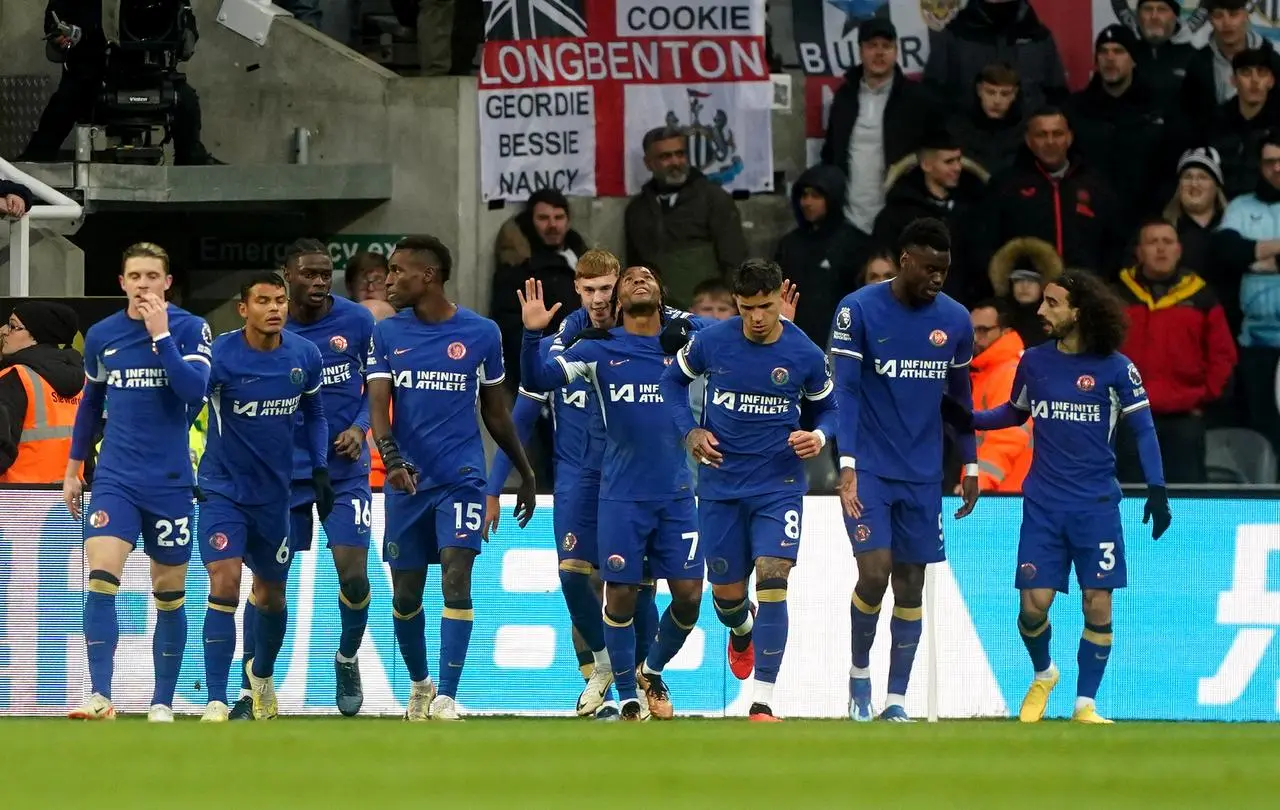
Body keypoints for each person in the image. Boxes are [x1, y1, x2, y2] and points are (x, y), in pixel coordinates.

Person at [955, 268, 1172, 724]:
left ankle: (1085, 704)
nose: (1041, 310)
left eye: (1052, 303)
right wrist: (965, 417)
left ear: (1080, 311)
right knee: (1032, 608)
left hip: (1096, 508)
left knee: (1099, 601)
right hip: (1043, 505)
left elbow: (1144, 430)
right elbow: (1012, 414)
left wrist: (1157, 488)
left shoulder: (1117, 368)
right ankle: (1044, 671)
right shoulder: (1034, 361)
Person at [519, 266, 706, 722]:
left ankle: (651, 669)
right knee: (619, 595)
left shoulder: (686, 348)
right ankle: (626, 695)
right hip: (620, 494)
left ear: (661, 295)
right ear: (618, 302)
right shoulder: (597, 350)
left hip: (678, 492)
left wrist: (781, 322)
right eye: (630, 279)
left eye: (648, 277)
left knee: (688, 597)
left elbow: (738, 334)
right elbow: (539, 380)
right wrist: (530, 337)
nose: (638, 279)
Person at [368, 235, 537, 721]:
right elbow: (379, 408)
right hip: (406, 481)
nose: (390, 280)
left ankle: (447, 696)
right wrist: (392, 459)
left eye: (399, 271)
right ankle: (421, 684)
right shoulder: (387, 334)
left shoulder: (481, 332)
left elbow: (496, 412)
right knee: (405, 595)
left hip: (462, 476)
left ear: (429, 276)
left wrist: (522, 472)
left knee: (457, 578)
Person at [660, 259, 837, 722]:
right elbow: (671, 383)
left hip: (778, 486)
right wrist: (690, 433)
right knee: (726, 597)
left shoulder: (805, 354)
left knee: (774, 575)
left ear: (781, 297)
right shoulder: (712, 342)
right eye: (746, 308)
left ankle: (763, 700)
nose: (757, 317)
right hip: (719, 486)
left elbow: (830, 411)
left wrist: (816, 437)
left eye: (765, 306)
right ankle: (742, 630)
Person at [828, 217, 980, 723]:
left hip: (923, 472)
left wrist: (971, 462)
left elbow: (960, 398)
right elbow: (844, 391)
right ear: (905, 260)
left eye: (945, 270)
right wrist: (845, 463)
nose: (938, 278)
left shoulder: (956, 321)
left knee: (910, 584)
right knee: (874, 575)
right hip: (868, 466)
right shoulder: (858, 310)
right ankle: (858, 674)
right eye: (930, 268)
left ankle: (896, 700)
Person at [226, 240, 377, 720]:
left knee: (354, 575)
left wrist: (359, 427)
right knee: (269, 584)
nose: (318, 282)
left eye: (325, 274)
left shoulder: (358, 321)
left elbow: (373, 383)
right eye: (308, 274)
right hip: (281, 475)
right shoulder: (266, 328)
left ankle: (347, 657)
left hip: (344, 469)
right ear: (286, 277)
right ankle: (254, 686)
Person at [62, 242, 211, 722]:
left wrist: (161, 335)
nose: (144, 284)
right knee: (101, 576)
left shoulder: (190, 329)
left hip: (169, 481)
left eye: (153, 276)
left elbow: (194, 391)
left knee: (168, 591)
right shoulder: (103, 334)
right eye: (135, 276)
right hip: (115, 479)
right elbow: (89, 404)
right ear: (121, 282)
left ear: (167, 283)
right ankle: (100, 695)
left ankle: (162, 699)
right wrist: (73, 467)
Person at [483, 249, 621, 719]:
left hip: (630, 482)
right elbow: (518, 422)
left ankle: (637, 684)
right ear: (577, 290)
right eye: (590, 289)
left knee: (624, 586)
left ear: (619, 285)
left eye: (607, 288)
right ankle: (598, 676)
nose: (600, 299)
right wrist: (493, 487)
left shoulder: (642, 338)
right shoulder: (554, 348)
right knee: (575, 578)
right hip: (576, 480)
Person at [197, 273, 331, 722]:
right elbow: (182, 408)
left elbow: (315, 413)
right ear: (243, 308)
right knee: (225, 581)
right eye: (263, 301)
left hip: (276, 496)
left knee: (270, 595)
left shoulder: (304, 355)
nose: (274, 309)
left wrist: (320, 468)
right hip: (222, 489)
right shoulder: (219, 356)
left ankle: (261, 678)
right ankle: (216, 698)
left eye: (280, 301)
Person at [21, 0, 218, 164]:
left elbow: (185, 20)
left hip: (150, 70)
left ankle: (192, 160)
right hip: (93, 71)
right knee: (65, 102)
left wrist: (186, 34)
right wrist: (60, 34)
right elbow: (55, 20)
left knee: (186, 101)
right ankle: (34, 163)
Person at [1116, 220, 1237, 484]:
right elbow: (1096, 352)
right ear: (1139, 252)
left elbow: (1222, 355)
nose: (1161, 249)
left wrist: (1204, 399)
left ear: (1179, 250)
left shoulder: (1202, 296)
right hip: (1131, 418)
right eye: (1152, 242)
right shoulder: (1115, 295)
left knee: (1187, 498)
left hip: (1184, 419)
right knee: (1132, 499)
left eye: (1167, 242)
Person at [820, 18, 930, 241]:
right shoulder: (844, 97)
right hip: (849, 222)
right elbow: (830, 153)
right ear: (860, 51)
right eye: (872, 46)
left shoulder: (917, 99)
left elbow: (931, 156)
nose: (879, 53)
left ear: (896, 51)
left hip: (899, 221)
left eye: (886, 46)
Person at [624, 126, 748, 308]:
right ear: (648, 163)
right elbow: (633, 269)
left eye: (680, 154)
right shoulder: (637, 210)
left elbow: (735, 260)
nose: (675, 162)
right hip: (657, 316)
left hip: (705, 314)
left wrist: (726, 307)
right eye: (665, 157)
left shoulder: (713, 198)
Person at [491, 188, 587, 391]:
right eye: (543, 218)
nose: (552, 225)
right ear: (530, 221)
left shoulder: (580, 254)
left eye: (559, 217)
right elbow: (510, 327)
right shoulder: (519, 267)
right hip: (547, 369)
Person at [773, 164, 865, 347]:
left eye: (816, 196)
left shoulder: (854, 243)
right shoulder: (789, 244)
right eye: (804, 195)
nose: (807, 202)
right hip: (794, 340)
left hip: (841, 341)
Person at [0, 301, 83, 482]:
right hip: (66, 501)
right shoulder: (80, 381)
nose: (4, 330)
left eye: (13, 326)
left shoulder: (14, 378)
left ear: (36, 337)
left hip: (18, 500)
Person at [968, 299, 1031, 493]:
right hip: (1004, 490)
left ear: (1004, 331)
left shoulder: (1008, 373)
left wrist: (979, 481)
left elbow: (1007, 436)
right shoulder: (988, 372)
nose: (976, 338)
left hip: (1005, 493)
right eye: (971, 331)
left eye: (983, 330)